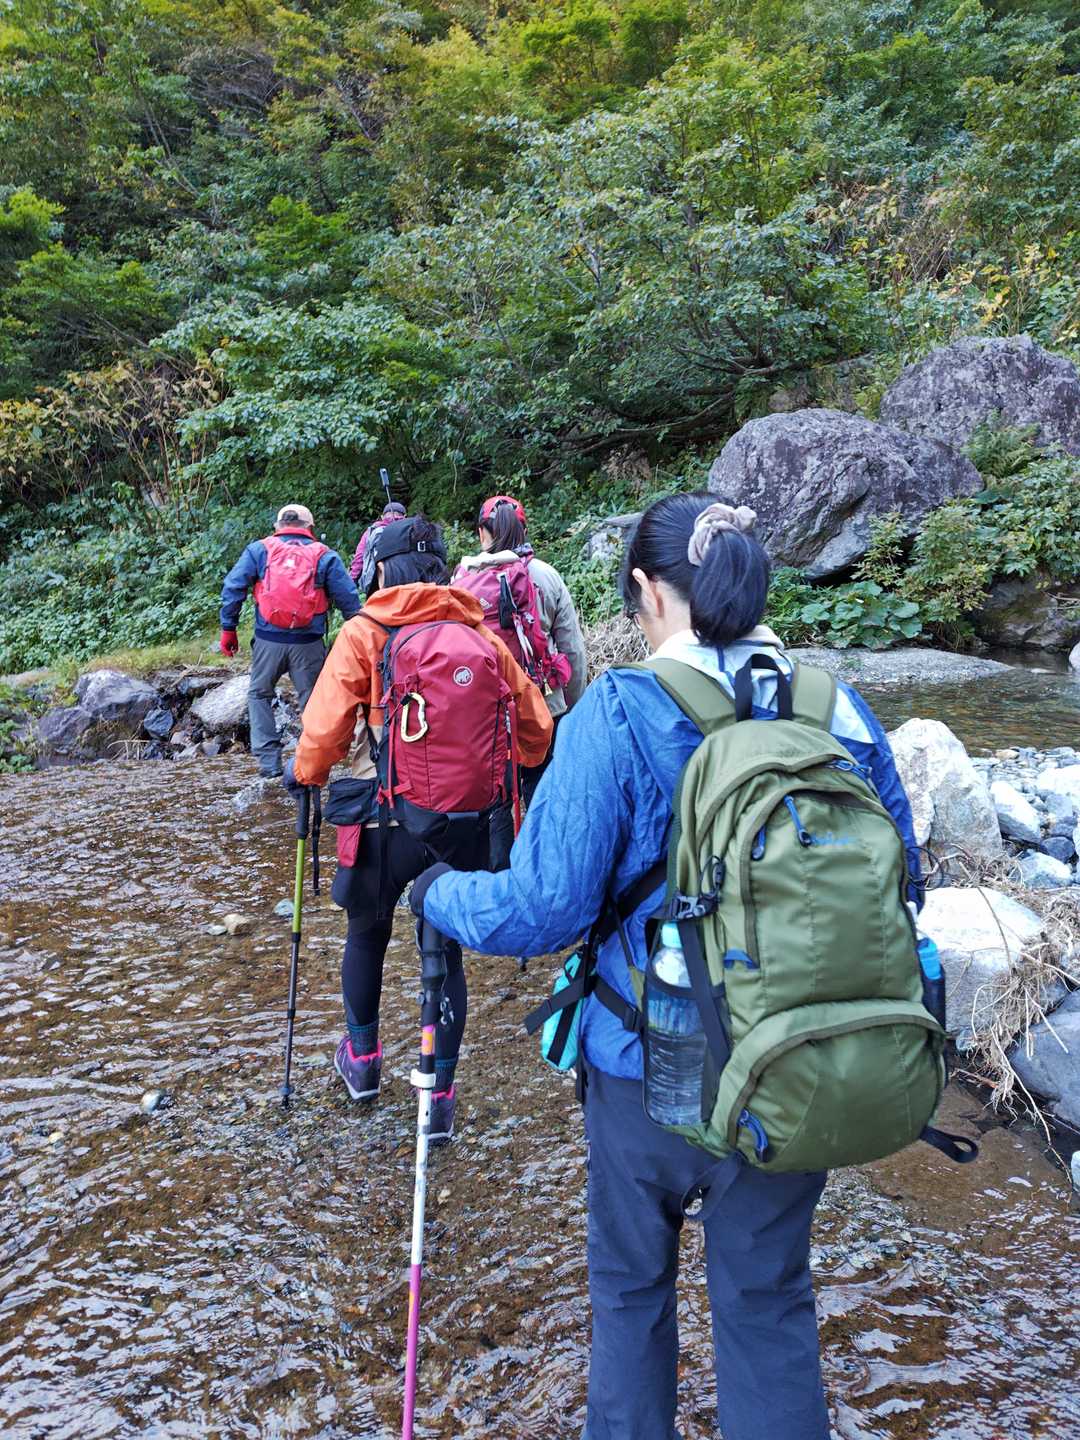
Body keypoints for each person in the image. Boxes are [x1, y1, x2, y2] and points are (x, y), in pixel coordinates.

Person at [410, 492, 922, 1440]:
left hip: (649, 1070)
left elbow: (543, 910)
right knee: (769, 1304)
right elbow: (905, 885)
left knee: (632, 1292)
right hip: (793, 1068)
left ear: (647, 590)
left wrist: (437, 893)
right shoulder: (834, 705)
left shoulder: (618, 710)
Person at [285, 515, 552, 1139]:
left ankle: (363, 1062)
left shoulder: (363, 632)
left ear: (383, 569)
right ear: (439, 570)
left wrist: (305, 775)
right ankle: (439, 1096)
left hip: (381, 820)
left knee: (367, 933)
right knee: (444, 948)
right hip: (461, 823)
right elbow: (537, 731)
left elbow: (323, 732)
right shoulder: (479, 635)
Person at [454, 493, 586, 868]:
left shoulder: (461, 581)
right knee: (544, 793)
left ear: (482, 533)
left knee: (498, 801)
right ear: (524, 530)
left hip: (488, 715)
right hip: (543, 706)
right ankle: (549, 870)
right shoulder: (544, 575)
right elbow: (572, 649)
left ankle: (502, 876)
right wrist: (572, 707)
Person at [219, 503, 360, 778]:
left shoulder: (259, 550)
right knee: (314, 701)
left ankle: (269, 765)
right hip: (308, 644)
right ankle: (311, 765)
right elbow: (349, 601)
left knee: (259, 694)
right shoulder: (324, 555)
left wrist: (229, 629)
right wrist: (358, 635)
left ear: (278, 526)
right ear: (310, 528)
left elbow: (233, 586)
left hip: (268, 641)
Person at [350, 500, 407, 592]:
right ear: (404, 516)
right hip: (406, 582)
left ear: (382, 517)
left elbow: (359, 557)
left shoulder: (372, 531)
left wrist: (352, 580)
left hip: (376, 582)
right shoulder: (410, 529)